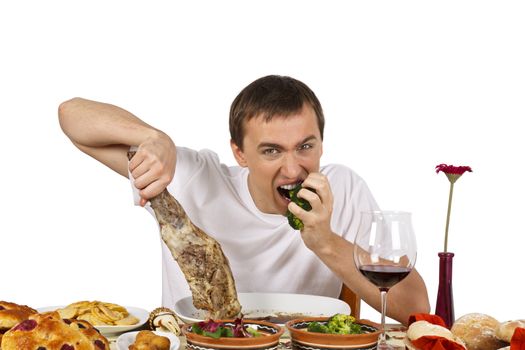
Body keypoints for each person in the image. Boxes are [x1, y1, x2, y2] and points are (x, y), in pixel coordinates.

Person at [58, 75, 430, 324]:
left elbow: (417, 309)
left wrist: (325, 242)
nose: (292, 169)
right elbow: (71, 116)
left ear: (322, 142)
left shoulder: (343, 187)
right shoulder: (195, 176)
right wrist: (154, 138)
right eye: (271, 151)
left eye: (305, 146)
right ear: (239, 153)